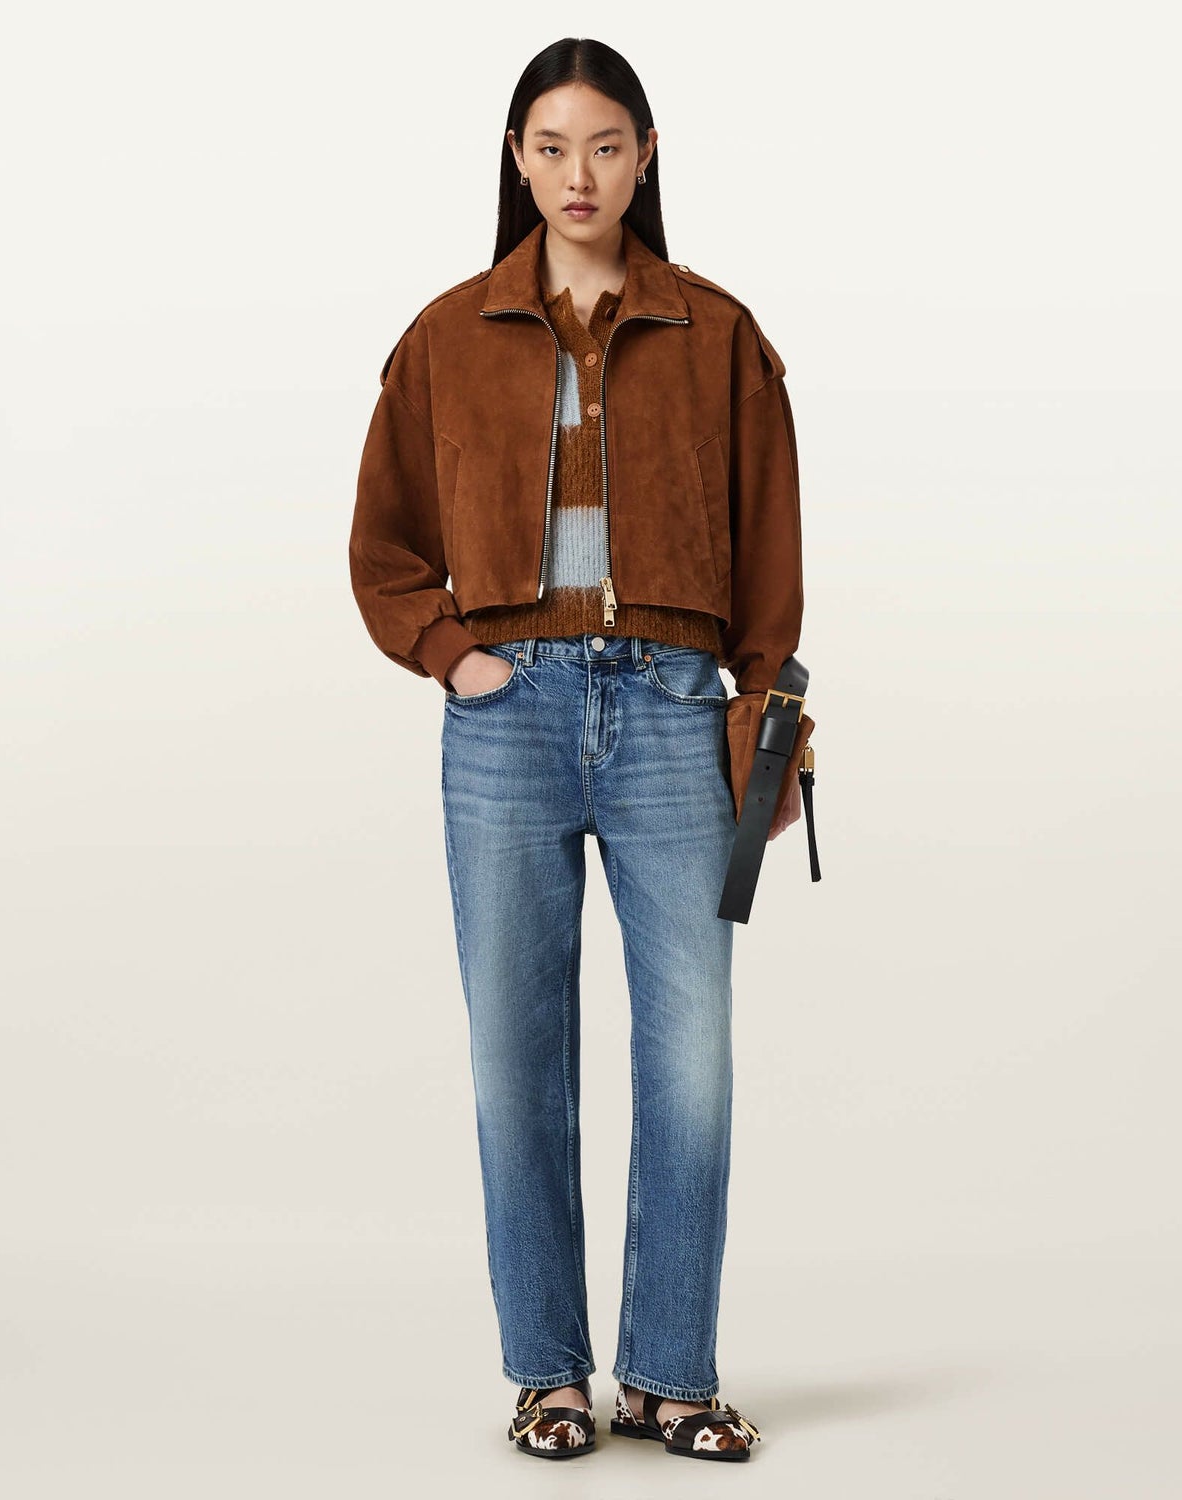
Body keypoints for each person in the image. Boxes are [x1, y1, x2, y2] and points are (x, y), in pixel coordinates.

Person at [348, 36, 804, 1463]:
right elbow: (383, 546)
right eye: (550, 147)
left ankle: (670, 1374)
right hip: (509, 721)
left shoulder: (719, 335)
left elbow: (772, 553)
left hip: (672, 712)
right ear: (517, 159)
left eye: (605, 145)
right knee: (517, 1060)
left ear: (646, 156)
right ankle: (548, 1373)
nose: (579, 174)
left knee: (692, 1057)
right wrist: (455, 655)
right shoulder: (446, 335)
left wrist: (762, 713)